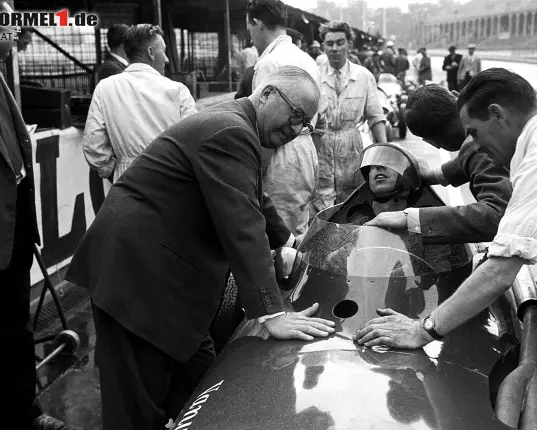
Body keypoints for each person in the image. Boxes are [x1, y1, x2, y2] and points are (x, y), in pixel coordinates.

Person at [65, 66, 335, 429]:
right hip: (138, 278)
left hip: (167, 280)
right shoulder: (232, 130)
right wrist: (272, 312)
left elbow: (252, 198)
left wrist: (291, 243)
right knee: (136, 409)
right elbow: (244, 226)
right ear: (268, 94)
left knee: (210, 382)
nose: (295, 130)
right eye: (295, 116)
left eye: (305, 125)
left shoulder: (236, 125)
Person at [355, 68, 537, 429]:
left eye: (475, 133)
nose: (474, 145)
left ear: (497, 114)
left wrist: (424, 330)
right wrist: (431, 175)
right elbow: (469, 161)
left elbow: (500, 269)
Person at [366, 84, 537, 245]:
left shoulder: (483, 142)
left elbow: (499, 216)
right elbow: (469, 157)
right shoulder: (522, 98)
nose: (475, 140)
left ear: (432, 143)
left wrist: (412, 219)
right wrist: (436, 175)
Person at [0, 3, 65, 429]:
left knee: (15, 329)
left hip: (10, 232)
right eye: (8, 22)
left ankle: (21, 412)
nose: (17, 31)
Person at [83, 24, 197, 183]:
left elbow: (93, 144)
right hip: (170, 180)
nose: (166, 59)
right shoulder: (178, 90)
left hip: (126, 181)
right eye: (163, 51)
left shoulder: (105, 88)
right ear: (151, 52)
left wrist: (109, 167)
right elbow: (193, 140)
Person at [248, 0, 321, 235]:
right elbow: (323, 122)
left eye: (249, 27)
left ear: (257, 24)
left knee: (276, 235)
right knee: (299, 230)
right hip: (306, 152)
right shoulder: (308, 59)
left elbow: (265, 126)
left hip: (280, 156)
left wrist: (255, 176)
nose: (250, 36)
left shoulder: (270, 63)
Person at [312, 20, 387, 212]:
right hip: (321, 145)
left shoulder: (363, 76)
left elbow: (376, 116)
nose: (335, 48)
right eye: (330, 43)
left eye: (340, 42)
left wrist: (384, 152)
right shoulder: (314, 74)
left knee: (352, 206)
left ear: (349, 45)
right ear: (323, 47)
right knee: (321, 204)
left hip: (352, 146)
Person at [341, 143, 422, 225]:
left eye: (389, 162)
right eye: (372, 166)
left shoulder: (423, 219)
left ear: (405, 176)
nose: (379, 167)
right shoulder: (356, 220)